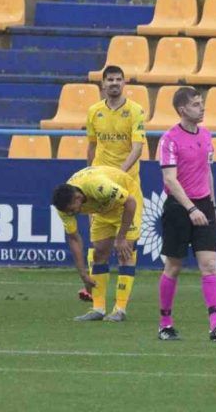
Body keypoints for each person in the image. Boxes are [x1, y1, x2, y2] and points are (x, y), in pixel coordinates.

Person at [156, 87, 216, 342]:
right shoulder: (169, 139)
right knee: (173, 266)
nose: (201, 108)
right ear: (183, 110)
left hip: (203, 206)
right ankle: (165, 324)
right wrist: (190, 208)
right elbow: (170, 179)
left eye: (201, 103)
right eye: (196, 104)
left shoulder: (206, 134)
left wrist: (211, 207)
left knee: (209, 265)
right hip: (179, 208)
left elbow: (207, 173)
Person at [76, 65, 146, 322]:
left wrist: (118, 175)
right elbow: (92, 147)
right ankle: (97, 307)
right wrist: (90, 179)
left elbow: (137, 148)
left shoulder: (135, 111)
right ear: (103, 84)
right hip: (100, 191)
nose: (114, 83)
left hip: (127, 188)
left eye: (118, 79)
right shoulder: (94, 112)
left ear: (124, 82)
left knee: (126, 249)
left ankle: (120, 308)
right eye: (110, 80)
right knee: (100, 248)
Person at [52, 166, 141, 321]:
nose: (71, 214)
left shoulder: (98, 186)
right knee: (99, 252)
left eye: (73, 210)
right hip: (103, 209)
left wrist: (121, 237)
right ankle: (98, 309)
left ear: (78, 198)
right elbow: (74, 238)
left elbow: (130, 203)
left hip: (126, 201)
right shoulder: (64, 208)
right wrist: (83, 274)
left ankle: (120, 310)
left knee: (125, 252)